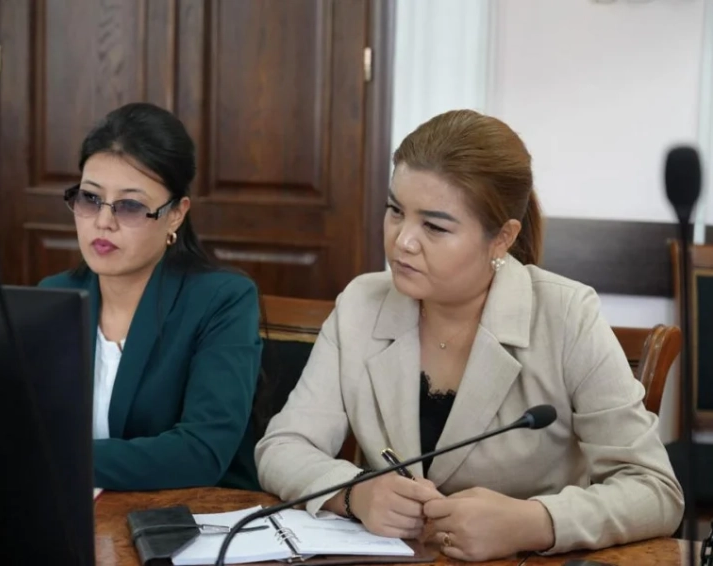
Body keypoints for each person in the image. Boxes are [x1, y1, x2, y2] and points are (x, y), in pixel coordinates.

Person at [255, 109, 684, 561]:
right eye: (395, 211)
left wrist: (533, 522)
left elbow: (654, 489)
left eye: (434, 226)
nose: (402, 241)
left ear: (502, 237)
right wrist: (353, 493)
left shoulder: (566, 316)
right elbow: (283, 447)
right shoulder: (362, 303)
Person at [39, 102, 262, 492]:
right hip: (76, 512)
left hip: (187, 518)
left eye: (130, 206)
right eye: (90, 198)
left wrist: (56, 459)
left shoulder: (222, 300)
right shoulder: (55, 297)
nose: (103, 222)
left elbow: (201, 452)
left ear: (175, 214)